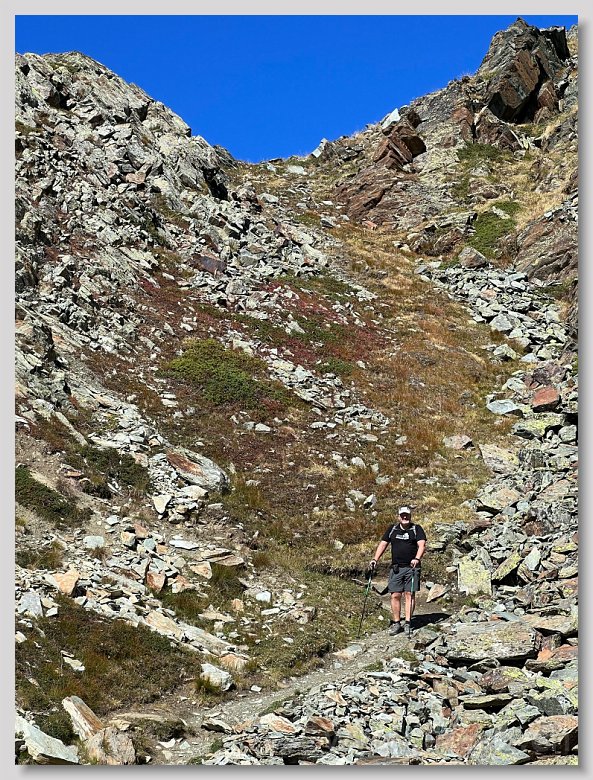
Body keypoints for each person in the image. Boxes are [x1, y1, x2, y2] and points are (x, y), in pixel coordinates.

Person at [369, 505, 427, 635]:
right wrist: (375, 559)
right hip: (396, 568)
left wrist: (417, 558)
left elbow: (422, 545)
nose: (405, 517)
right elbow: (383, 544)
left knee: (409, 594)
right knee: (395, 595)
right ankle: (397, 623)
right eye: (402, 515)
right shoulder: (392, 529)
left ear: (410, 516)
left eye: (407, 515)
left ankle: (408, 623)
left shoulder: (416, 529)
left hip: (412, 568)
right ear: (399, 517)